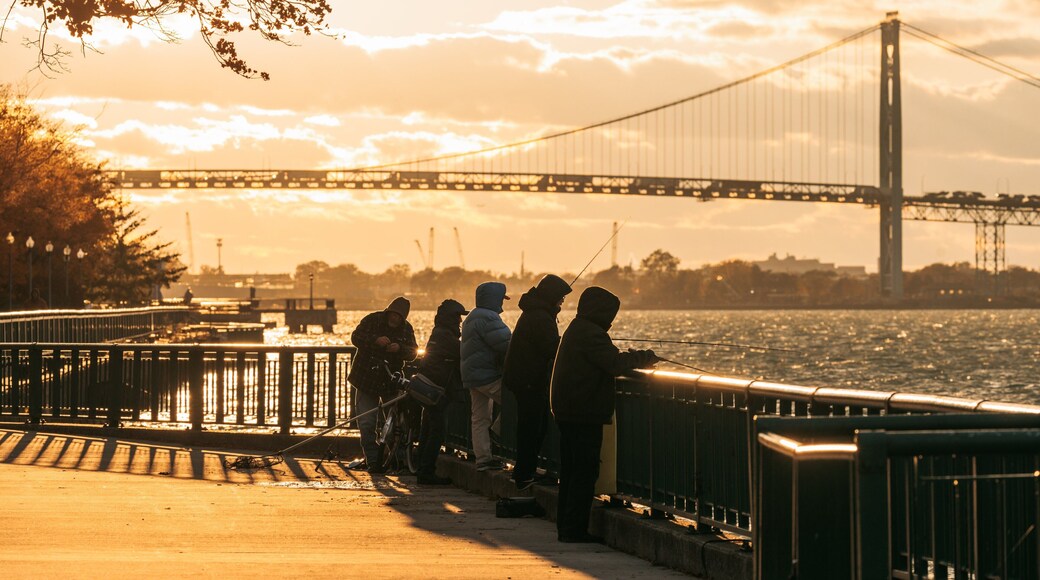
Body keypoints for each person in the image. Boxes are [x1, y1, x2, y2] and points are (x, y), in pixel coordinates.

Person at [550, 286, 656, 543]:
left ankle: (565, 526)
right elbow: (613, 363)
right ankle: (574, 530)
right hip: (582, 413)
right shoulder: (591, 334)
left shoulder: (578, 328)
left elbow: (605, 359)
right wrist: (644, 358)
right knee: (584, 473)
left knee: (572, 470)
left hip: (568, 410)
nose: (611, 319)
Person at [502, 274, 572, 490]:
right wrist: (570, 345)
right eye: (560, 298)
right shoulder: (541, 317)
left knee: (530, 427)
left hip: (524, 379)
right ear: (552, 297)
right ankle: (524, 474)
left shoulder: (535, 313)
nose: (562, 302)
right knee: (532, 429)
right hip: (529, 381)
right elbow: (551, 347)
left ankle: (525, 471)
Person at [348, 296, 418, 474]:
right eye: (393, 314)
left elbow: (413, 352)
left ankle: (398, 461)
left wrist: (399, 349)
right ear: (388, 312)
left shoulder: (407, 329)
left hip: (390, 381)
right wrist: (375, 340)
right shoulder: (372, 320)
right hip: (365, 380)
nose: (395, 319)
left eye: (399, 316)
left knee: (395, 426)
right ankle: (373, 461)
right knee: (366, 423)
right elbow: (355, 337)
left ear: (403, 318)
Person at [414, 299, 469, 485]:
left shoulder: (439, 332)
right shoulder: (446, 336)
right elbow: (464, 353)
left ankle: (422, 468)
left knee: (427, 429)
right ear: (450, 318)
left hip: (429, 388)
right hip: (435, 391)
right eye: (457, 317)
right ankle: (426, 472)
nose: (460, 321)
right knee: (437, 431)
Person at [461, 281, 511, 472]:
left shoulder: (472, 316)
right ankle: (498, 432)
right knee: (515, 402)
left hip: (472, 376)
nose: (503, 304)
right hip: (488, 375)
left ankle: (483, 458)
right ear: (495, 299)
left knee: (479, 417)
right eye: (501, 299)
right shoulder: (489, 318)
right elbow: (506, 344)